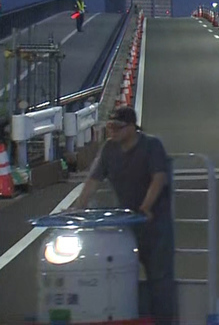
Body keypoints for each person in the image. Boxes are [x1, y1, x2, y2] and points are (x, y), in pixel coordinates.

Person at [72, 106, 175, 323]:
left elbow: (159, 178)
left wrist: (146, 207)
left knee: (160, 278)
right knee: (120, 274)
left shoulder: (151, 146)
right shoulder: (109, 149)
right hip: (127, 224)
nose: (112, 131)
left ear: (132, 127)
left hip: (155, 224)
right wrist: (79, 207)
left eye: (117, 127)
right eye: (110, 127)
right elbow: (94, 180)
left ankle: (165, 320)